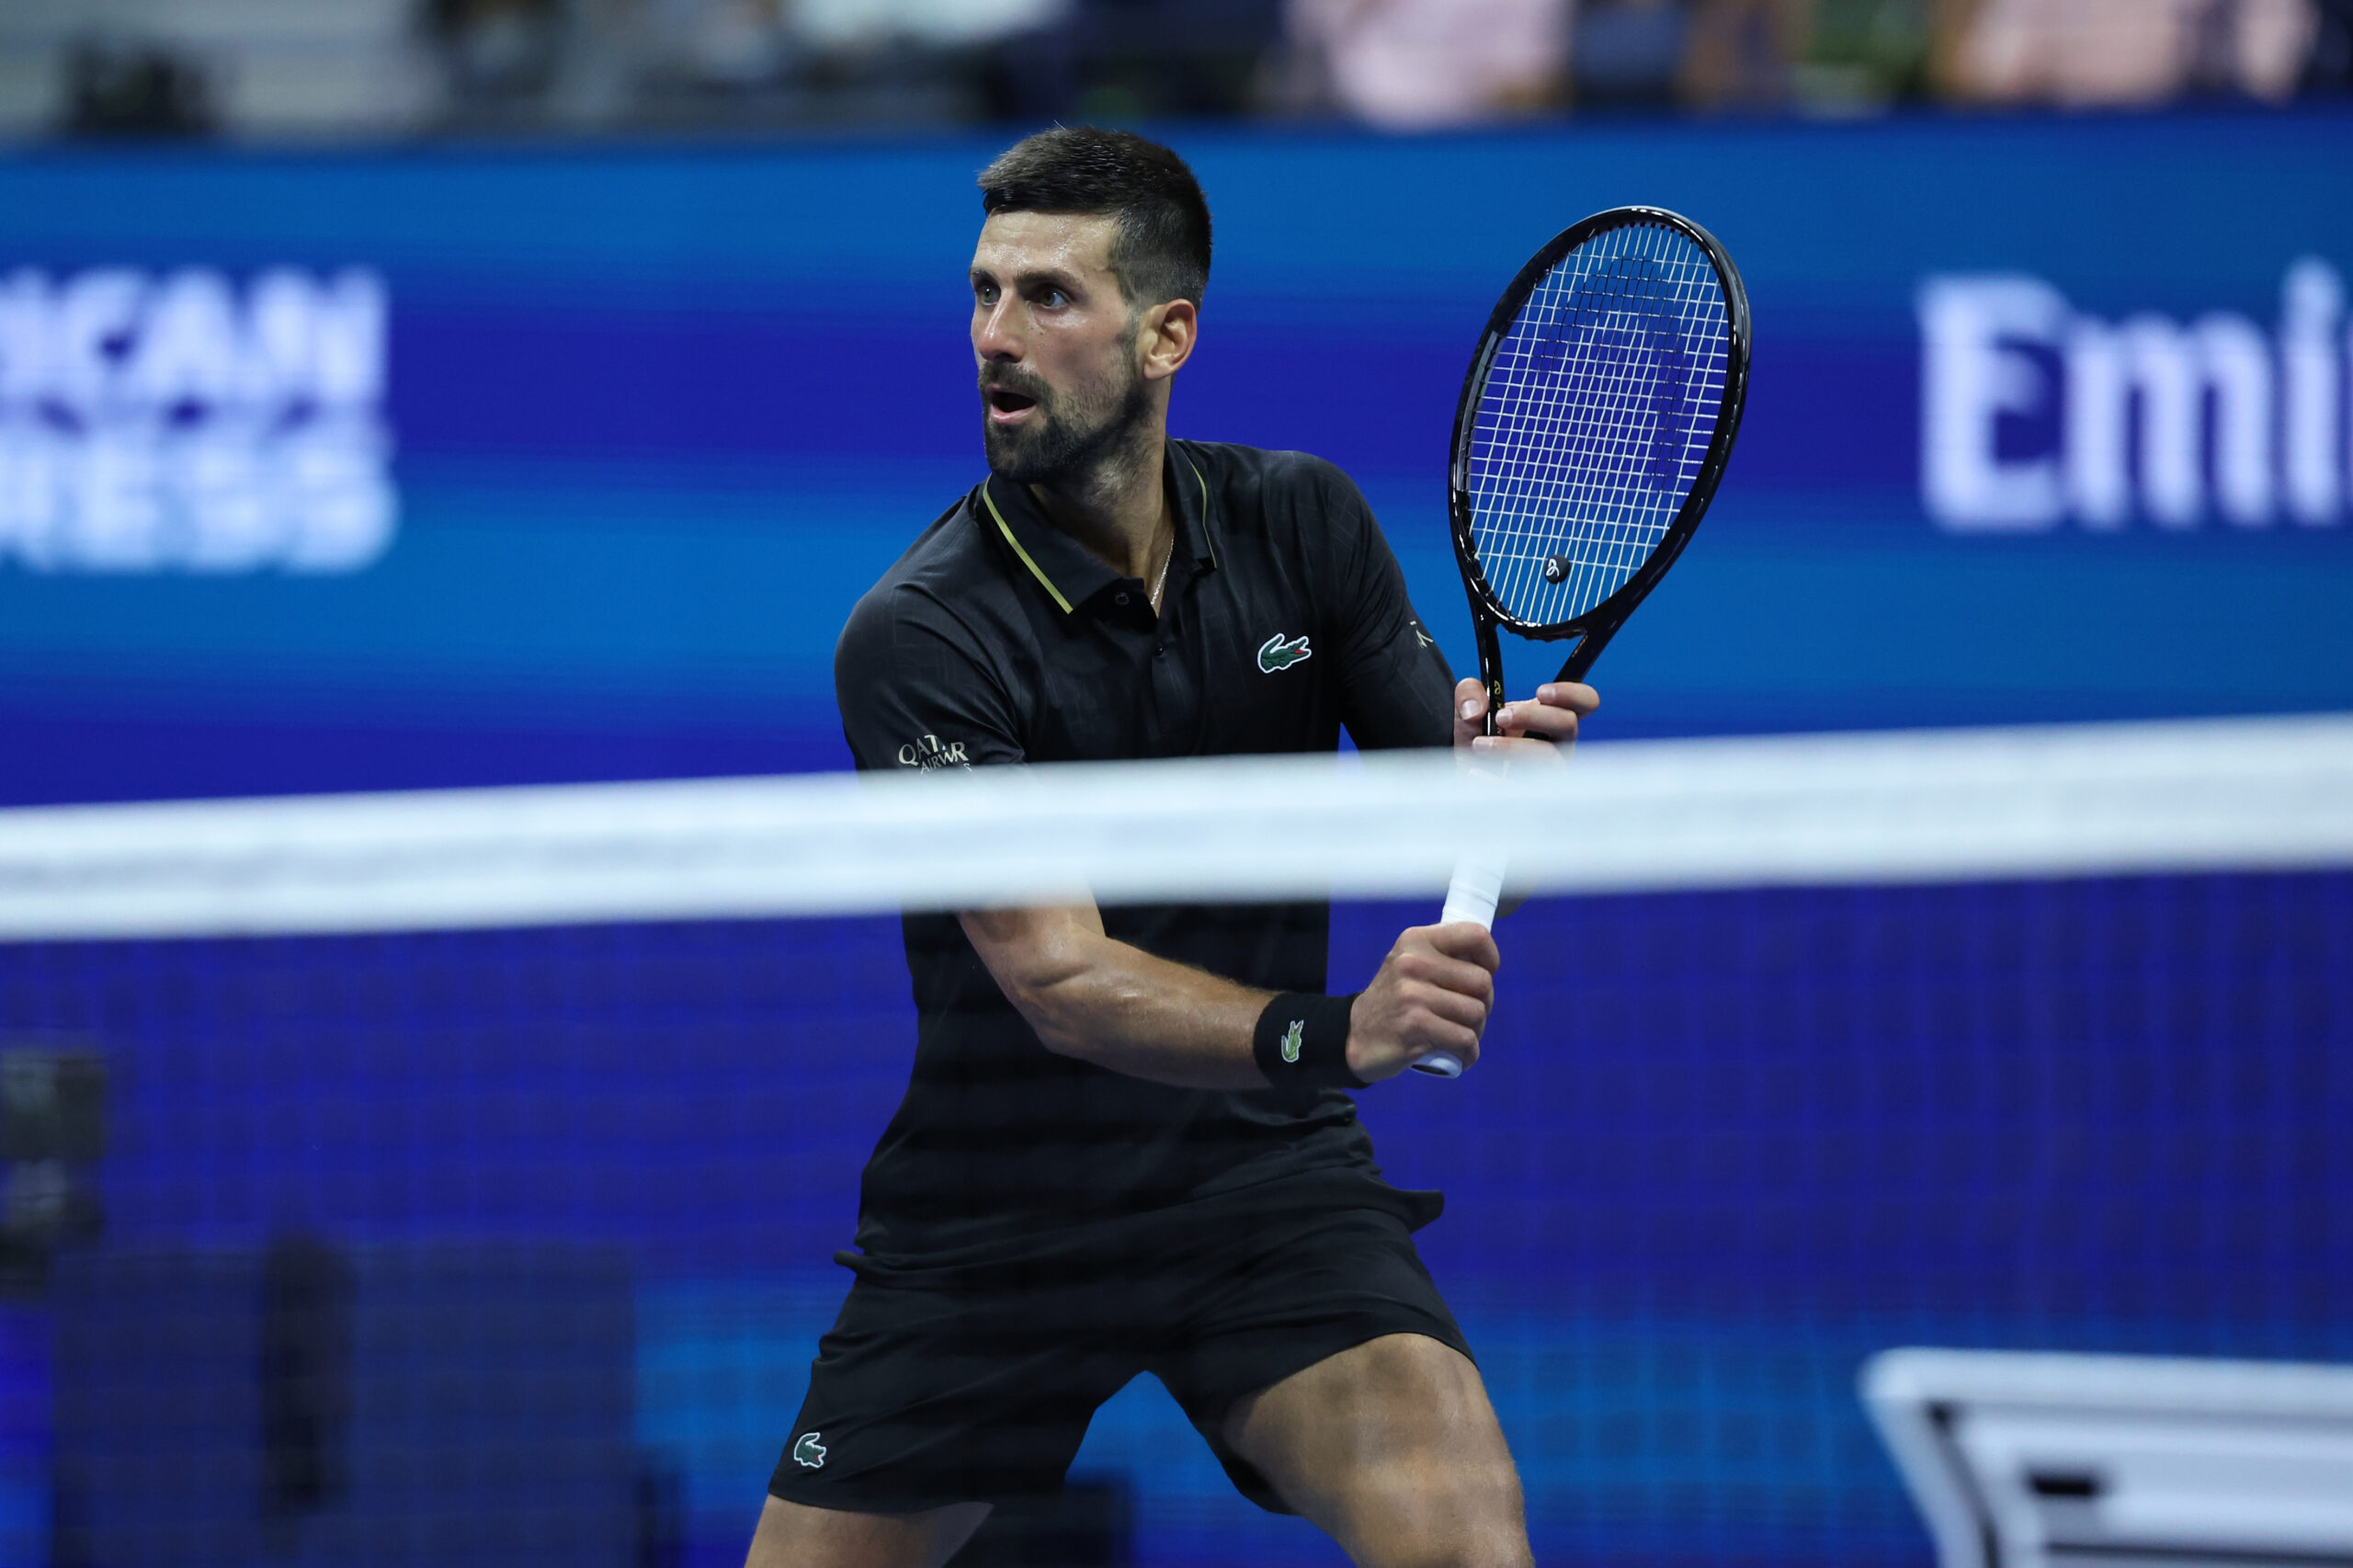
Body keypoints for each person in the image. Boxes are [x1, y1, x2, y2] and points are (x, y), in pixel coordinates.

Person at [747, 126, 1593, 1568]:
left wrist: (1497, 779)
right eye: (982, 293)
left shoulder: (1295, 521)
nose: (995, 338)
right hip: (998, 1218)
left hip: (1260, 1191)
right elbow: (1058, 980)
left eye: (1049, 298)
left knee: (1467, 1545)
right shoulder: (922, 633)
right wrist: (1342, 1031)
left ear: (1166, 334)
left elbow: (1442, 789)